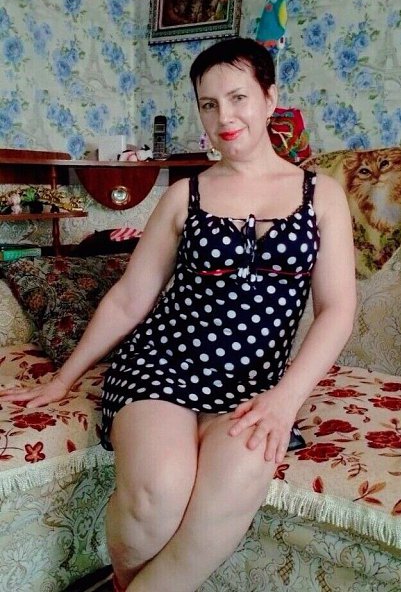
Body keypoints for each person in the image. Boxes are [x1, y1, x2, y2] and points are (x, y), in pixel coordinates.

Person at [0, 37, 356, 592]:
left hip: (256, 384)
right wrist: (64, 378)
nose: (224, 118)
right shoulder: (183, 195)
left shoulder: (322, 195)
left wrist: (286, 399)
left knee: (227, 491)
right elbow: (129, 298)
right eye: (208, 104)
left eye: (238, 98)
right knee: (155, 497)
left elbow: (337, 311)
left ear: (270, 98)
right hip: (161, 364)